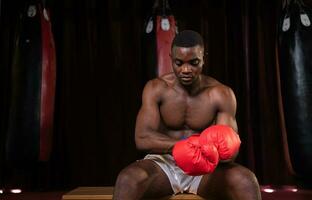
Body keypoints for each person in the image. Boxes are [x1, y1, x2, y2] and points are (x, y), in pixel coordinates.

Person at [113, 30, 261, 200]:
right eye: (178, 63)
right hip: (164, 164)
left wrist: (212, 150)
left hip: (205, 169)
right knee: (127, 180)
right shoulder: (156, 89)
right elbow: (142, 138)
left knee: (246, 181)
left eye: (193, 62)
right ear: (170, 57)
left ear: (204, 57)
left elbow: (230, 152)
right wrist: (184, 145)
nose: (185, 69)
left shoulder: (221, 94)